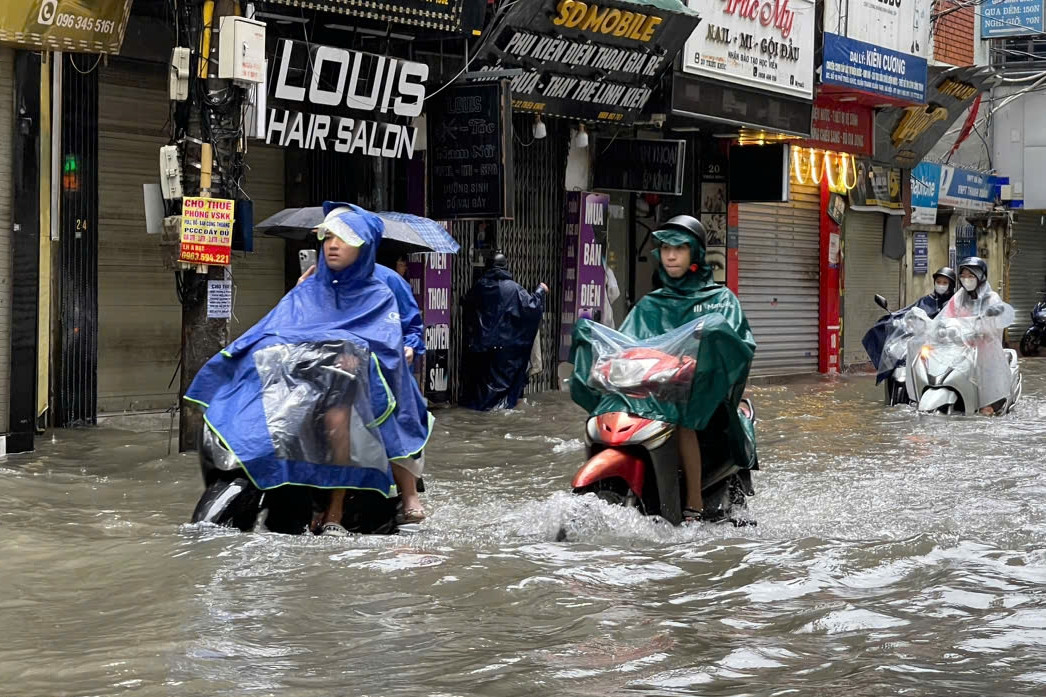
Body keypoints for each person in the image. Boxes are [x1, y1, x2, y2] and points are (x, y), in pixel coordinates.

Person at [186, 204, 431, 536]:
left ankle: (343, 507)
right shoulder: (310, 285)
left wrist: (373, 354)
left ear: (364, 246)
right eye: (327, 235)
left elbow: (385, 337)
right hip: (310, 379)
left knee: (340, 417)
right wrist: (241, 353)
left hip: (359, 384)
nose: (332, 244)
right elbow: (278, 328)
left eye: (343, 238)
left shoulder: (382, 288)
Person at [612, 216, 754, 521]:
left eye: (679, 248)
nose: (671, 256)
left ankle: (693, 503)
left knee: (681, 422)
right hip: (654, 390)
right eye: (664, 248)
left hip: (700, 398)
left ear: (696, 254)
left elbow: (737, 345)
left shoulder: (720, 300)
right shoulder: (652, 303)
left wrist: (707, 352)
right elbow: (626, 343)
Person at [460, 253, 548, 410]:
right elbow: (532, 308)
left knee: (483, 393)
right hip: (505, 353)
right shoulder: (513, 288)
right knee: (502, 396)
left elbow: (467, 305)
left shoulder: (479, 287)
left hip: (481, 351)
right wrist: (540, 291)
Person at [939, 257, 1014, 416]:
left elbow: (995, 323)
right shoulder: (959, 297)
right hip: (961, 349)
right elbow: (945, 317)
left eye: (971, 275)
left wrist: (982, 329)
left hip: (985, 354)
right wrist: (939, 328)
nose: (967, 279)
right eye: (964, 275)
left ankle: (991, 406)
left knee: (985, 410)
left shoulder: (991, 298)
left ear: (981, 277)